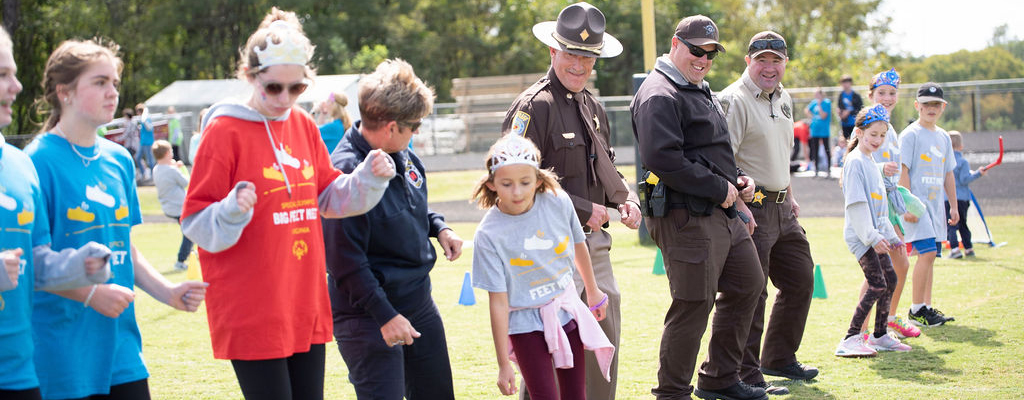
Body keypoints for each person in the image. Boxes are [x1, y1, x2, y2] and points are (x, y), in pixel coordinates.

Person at [181, 9, 396, 399]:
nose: (285, 98)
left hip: (302, 300)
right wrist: (230, 210)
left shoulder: (303, 126)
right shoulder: (223, 130)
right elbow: (194, 220)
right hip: (252, 306)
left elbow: (330, 197)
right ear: (249, 77)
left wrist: (368, 178)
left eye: (296, 89)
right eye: (273, 88)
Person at [26, 38, 209, 400]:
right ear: (64, 92)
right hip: (63, 352)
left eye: (114, 82)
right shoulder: (36, 161)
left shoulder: (119, 160)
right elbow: (29, 263)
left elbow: (124, 245)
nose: (112, 92)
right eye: (99, 82)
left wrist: (168, 292)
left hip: (122, 348)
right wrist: (90, 293)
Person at [500, 4, 642, 398]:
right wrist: (585, 208)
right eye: (571, 54)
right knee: (550, 345)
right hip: (547, 249)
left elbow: (606, 166)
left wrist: (625, 197)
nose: (579, 65)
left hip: (593, 246)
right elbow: (515, 185)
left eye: (587, 57)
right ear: (552, 52)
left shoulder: (593, 107)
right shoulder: (533, 107)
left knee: (601, 340)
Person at [632, 14, 767, 400]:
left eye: (711, 53)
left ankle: (720, 378)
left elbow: (712, 151)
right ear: (676, 44)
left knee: (748, 285)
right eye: (697, 50)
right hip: (684, 215)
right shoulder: (660, 93)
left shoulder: (697, 87)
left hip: (719, 209)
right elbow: (663, 158)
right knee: (693, 304)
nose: (704, 59)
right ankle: (671, 393)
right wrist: (720, 189)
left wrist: (738, 182)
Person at [321, 58, 461, 400]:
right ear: (392, 126)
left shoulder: (401, 152)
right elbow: (345, 263)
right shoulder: (347, 175)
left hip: (417, 301)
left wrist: (438, 227)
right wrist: (385, 316)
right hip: (367, 314)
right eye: (416, 125)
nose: (418, 132)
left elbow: (412, 204)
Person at [0, 26, 112, 400]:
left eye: (13, 73)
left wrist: (81, 265)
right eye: (2, 75)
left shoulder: (18, 165)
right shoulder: (40, 158)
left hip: (19, 372)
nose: (16, 86)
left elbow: (36, 261)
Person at [471, 135, 612, 399]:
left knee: (575, 394)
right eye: (506, 184)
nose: (517, 192)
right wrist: (503, 364)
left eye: (525, 182)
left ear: (538, 180)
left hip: (565, 311)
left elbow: (578, 244)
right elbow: (498, 302)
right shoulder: (488, 235)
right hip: (524, 325)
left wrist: (592, 291)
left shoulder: (558, 202)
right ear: (491, 184)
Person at [718, 30, 817, 396]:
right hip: (752, 206)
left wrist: (790, 194)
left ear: (785, 63)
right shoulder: (734, 99)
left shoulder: (785, 98)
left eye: (777, 60)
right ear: (748, 61)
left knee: (800, 278)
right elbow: (723, 158)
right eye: (762, 60)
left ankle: (778, 357)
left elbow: (782, 153)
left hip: (782, 207)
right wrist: (741, 206)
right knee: (751, 291)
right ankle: (745, 374)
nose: (770, 67)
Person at [834, 104, 911, 357]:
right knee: (877, 285)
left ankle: (879, 335)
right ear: (858, 132)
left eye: (882, 135)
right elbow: (857, 205)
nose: (878, 140)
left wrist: (890, 236)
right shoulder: (855, 162)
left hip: (875, 235)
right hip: (861, 236)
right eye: (873, 134)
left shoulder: (870, 160)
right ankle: (851, 338)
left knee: (891, 280)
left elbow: (879, 207)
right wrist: (872, 236)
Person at [859, 68, 921, 340]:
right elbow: (857, 160)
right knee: (878, 270)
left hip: (889, 205)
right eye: (881, 92)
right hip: (875, 207)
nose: (887, 97)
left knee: (900, 265)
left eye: (892, 93)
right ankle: (860, 331)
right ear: (870, 95)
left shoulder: (891, 128)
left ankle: (887, 320)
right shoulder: (866, 124)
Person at [899, 82, 958, 327]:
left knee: (931, 256)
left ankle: (926, 307)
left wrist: (953, 206)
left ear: (943, 107)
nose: (931, 108)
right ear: (917, 106)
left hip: (936, 208)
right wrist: (909, 205)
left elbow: (948, 174)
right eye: (926, 104)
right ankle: (916, 309)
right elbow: (903, 170)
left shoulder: (944, 136)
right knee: (927, 253)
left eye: (936, 104)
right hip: (917, 206)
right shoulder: (910, 134)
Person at [151, 139, 192, 271]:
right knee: (190, 233)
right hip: (180, 206)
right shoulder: (172, 171)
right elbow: (186, 182)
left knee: (189, 231)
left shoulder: (156, 169)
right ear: (168, 153)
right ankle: (181, 260)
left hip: (168, 207)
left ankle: (190, 254)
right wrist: (181, 169)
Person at [945, 131, 988, 259]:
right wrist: (978, 173)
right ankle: (968, 248)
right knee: (963, 224)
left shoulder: (945, 161)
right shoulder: (962, 162)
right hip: (963, 199)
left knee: (951, 225)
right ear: (961, 146)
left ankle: (955, 249)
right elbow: (965, 179)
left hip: (948, 198)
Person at [805, 88, 832, 177]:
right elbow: (807, 110)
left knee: (826, 149)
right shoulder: (814, 102)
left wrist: (820, 105)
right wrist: (812, 117)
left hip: (824, 130)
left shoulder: (826, 103)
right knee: (814, 149)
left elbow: (824, 116)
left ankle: (828, 168)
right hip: (815, 130)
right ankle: (816, 169)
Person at [837, 74, 863, 140]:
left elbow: (860, 109)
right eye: (843, 83)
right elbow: (839, 107)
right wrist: (840, 113)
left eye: (847, 82)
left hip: (854, 122)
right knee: (846, 141)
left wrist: (849, 112)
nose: (845, 85)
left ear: (850, 83)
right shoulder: (841, 95)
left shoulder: (856, 95)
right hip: (845, 123)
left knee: (854, 140)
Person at [134, 103, 155, 180]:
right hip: (142, 142)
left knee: (150, 160)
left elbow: (150, 128)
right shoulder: (142, 120)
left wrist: (144, 121)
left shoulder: (146, 119)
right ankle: (143, 173)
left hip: (148, 142)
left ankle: (153, 176)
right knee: (137, 157)